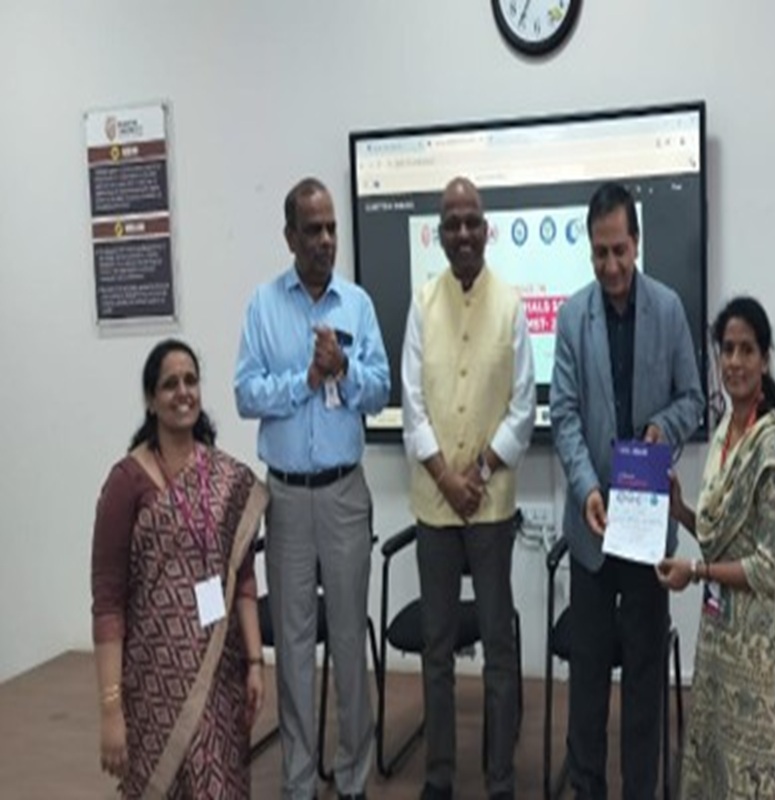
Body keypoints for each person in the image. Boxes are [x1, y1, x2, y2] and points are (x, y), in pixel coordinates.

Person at [234, 177, 391, 800]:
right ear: (290, 237)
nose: (325, 240)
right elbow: (246, 393)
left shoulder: (358, 304)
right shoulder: (263, 305)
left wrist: (344, 369)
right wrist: (304, 379)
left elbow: (380, 390)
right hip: (287, 497)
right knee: (295, 644)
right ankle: (298, 782)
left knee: (348, 639)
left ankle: (352, 779)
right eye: (313, 230)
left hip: (344, 492)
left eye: (331, 229)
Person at [550, 180, 705, 799]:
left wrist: (663, 427)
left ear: (636, 243)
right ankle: (587, 787)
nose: (611, 265)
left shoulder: (667, 309)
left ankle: (641, 788)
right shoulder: (572, 317)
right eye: (600, 253)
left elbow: (693, 398)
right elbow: (564, 415)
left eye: (619, 250)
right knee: (588, 674)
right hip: (592, 528)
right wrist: (586, 486)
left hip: (646, 529)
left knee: (643, 671)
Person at [658, 296, 775, 799]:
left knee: (760, 776)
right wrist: (681, 511)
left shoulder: (772, 444)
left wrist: (695, 571)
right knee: (721, 767)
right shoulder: (725, 434)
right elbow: (722, 539)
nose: (735, 362)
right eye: (727, 350)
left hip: (761, 644)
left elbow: (766, 567)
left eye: (747, 350)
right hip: (722, 635)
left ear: (764, 359)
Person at [400, 176, 535, 800]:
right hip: (434, 506)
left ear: (486, 229)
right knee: (437, 647)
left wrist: (475, 475)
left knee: (498, 646)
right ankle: (440, 775)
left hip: (490, 505)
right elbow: (412, 403)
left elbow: (523, 407)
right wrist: (445, 479)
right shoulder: (421, 303)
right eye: (451, 222)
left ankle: (499, 778)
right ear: (438, 231)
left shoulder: (512, 306)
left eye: (471, 221)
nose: (462, 233)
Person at [91, 338, 268, 798]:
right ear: (151, 400)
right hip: (154, 682)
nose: (183, 392)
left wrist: (254, 663)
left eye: (191, 381)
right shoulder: (126, 483)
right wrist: (111, 710)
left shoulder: (226, 480)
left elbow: (244, 579)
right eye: (170, 384)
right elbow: (107, 603)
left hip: (221, 673)